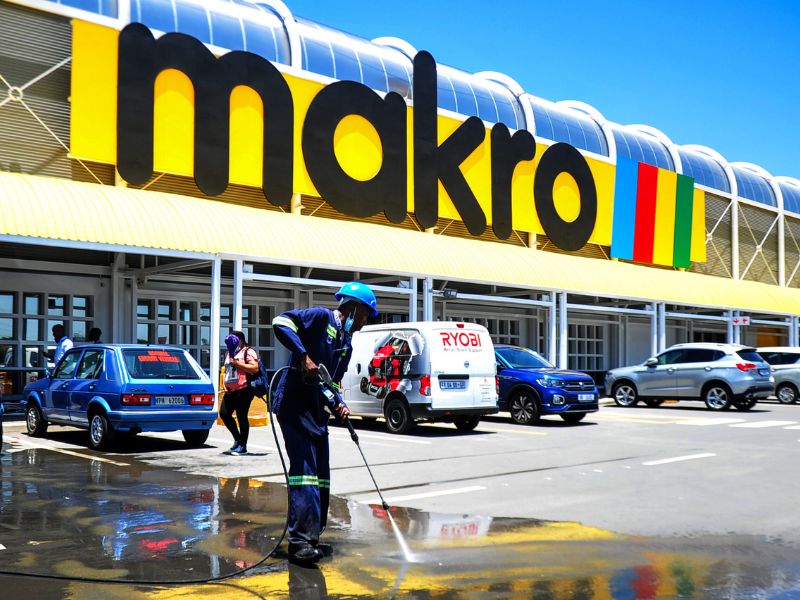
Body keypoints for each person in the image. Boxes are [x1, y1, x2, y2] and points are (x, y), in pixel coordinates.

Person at [271, 281, 378, 565]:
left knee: (320, 475)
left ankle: (312, 535)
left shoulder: (345, 345)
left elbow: (330, 383)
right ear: (352, 308)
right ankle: (299, 543)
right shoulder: (320, 318)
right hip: (294, 407)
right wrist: (303, 356)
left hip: (317, 413)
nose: (364, 323)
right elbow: (280, 322)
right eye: (364, 316)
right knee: (304, 473)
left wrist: (338, 403)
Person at [219, 330, 259, 455]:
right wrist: (225, 385)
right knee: (224, 413)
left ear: (240, 340)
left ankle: (243, 446)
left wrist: (237, 363)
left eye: (234, 340)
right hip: (231, 390)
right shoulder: (229, 353)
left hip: (244, 389)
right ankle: (237, 440)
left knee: (241, 416)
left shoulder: (248, 351)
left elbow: (254, 368)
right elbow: (227, 370)